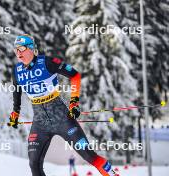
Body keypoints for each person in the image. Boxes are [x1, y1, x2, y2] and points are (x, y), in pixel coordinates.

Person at [8, 34, 118, 176]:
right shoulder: (16, 71)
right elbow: (16, 91)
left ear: (31, 49)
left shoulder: (47, 62)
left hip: (63, 119)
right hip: (40, 123)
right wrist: (15, 112)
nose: (18, 53)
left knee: (89, 155)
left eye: (21, 49)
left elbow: (75, 75)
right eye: (16, 50)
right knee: (34, 163)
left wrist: (74, 102)